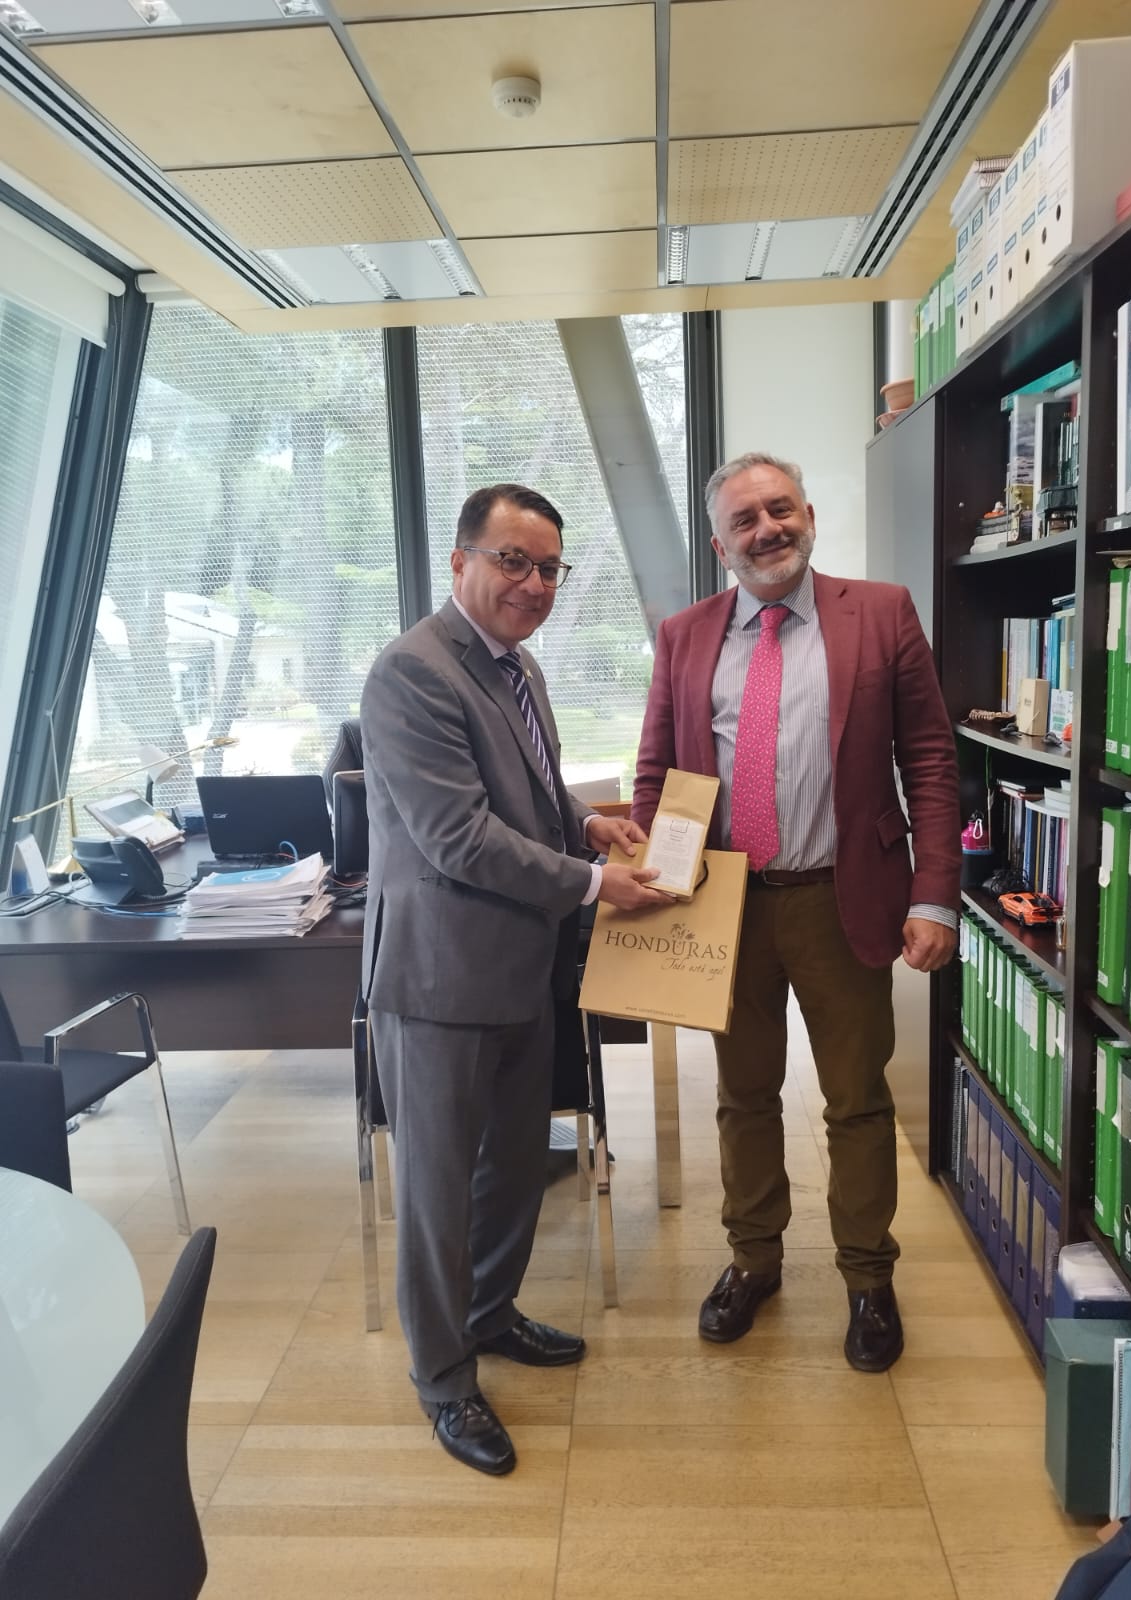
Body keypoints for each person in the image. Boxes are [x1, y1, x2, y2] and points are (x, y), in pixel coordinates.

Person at [360, 483, 666, 1476]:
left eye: (548, 568)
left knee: (514, 1168)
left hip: (521, 965)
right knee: (439, 1191)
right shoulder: (411, 672)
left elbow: (524, 793)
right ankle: (444, 1379)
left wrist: (585, 823)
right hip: (439, 977)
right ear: (460, 562)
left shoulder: (518, 665)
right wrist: (594, 882)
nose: (533, 583)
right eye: (512, 560)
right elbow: (458, 835)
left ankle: (489, 1314)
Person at [632, 451, 960, 1373]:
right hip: (726, 904)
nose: (767, 528)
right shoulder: (684, 636)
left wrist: (935, 894)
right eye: (745, 519)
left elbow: (930, 759)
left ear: (808, 515)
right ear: (720, 546)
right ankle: (753, 1260)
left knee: (857, 1100)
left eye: (781, 509)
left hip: (840, 897)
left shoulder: (881, 613)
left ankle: (868, 1277)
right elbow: (658, 773)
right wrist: (659, 887)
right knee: (743, 1096)